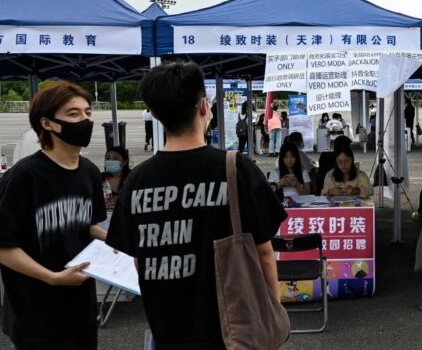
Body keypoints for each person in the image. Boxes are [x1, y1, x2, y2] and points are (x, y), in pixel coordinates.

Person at [105, 61, 287, 349]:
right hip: (233, 333)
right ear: (204, 107)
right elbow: (264, 251)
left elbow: (139, 260)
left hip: (166, 331)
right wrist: (272, 312)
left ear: (153, 114)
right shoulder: (234, 168)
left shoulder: (136, 181)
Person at [0, 81, 107, 349]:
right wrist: (53, 277)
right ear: (47, 123)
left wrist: (114, 239)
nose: (84, 120)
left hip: (81, 306)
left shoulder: (90, 172)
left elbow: (87, 224)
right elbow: (3, 247)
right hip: (36, 313)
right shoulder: (23, 177)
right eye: (73, 114)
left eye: (87, 112)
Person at [101, 145, 131, 227]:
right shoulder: (100, 179)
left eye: (115, 158)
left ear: (124, 162)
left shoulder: (131, 178)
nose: (111, 161)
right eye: (107, 158)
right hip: (104, 224)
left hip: (126, 223)